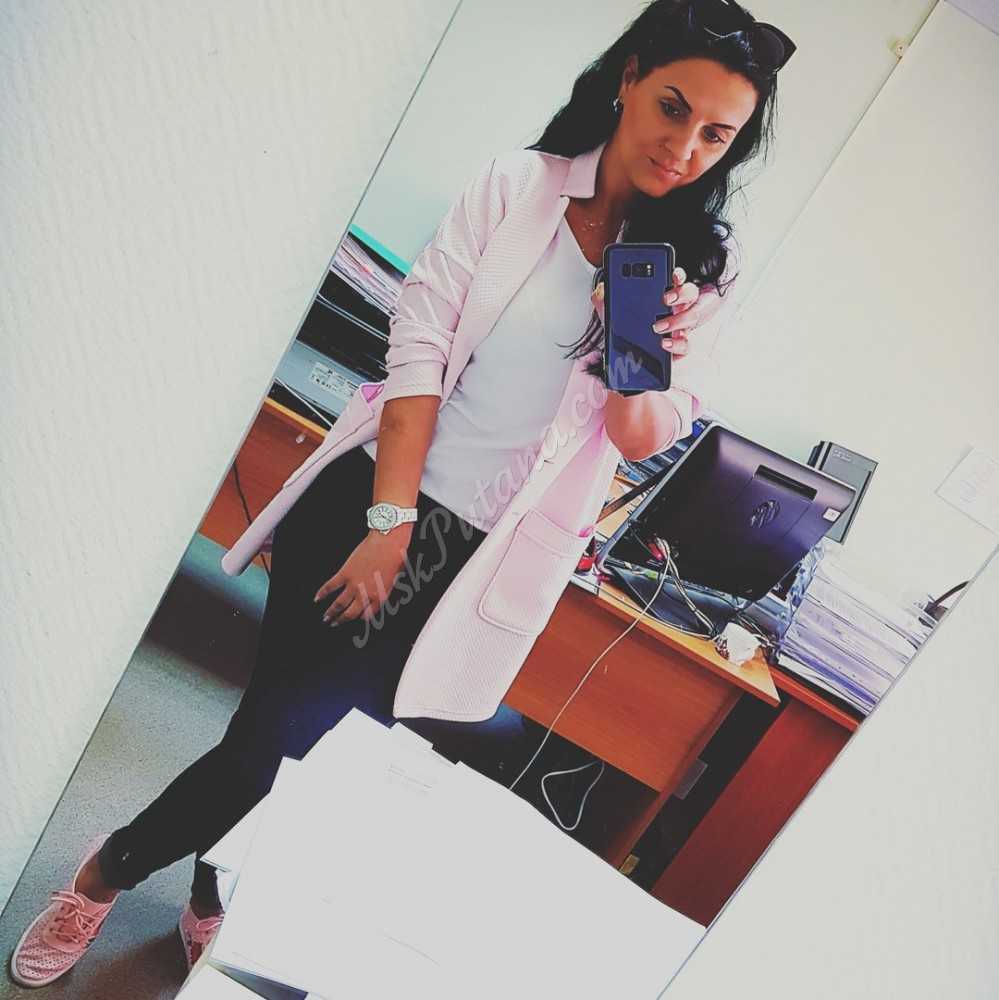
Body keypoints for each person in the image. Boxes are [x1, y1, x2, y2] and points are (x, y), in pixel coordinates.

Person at [9, 0, 793, 987]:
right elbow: (417, 354)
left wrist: (641, 351)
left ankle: (208, 889)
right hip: (379, 500)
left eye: (716, 134)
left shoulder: (694, 275)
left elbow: (640, 437)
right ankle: (112, 868)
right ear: (630, 77)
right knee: (276, 740)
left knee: (309, 754)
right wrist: (389, 522)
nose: (685, 148)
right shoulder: (516, 187)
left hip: (480, 561)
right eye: (673, 108)